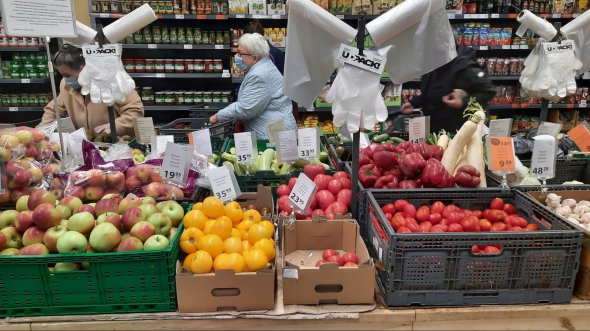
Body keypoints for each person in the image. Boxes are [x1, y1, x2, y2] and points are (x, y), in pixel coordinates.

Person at [41, 44, 144, 137]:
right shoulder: (65, 85)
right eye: (63, 75)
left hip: (117, 144)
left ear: (83, 68)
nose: (67, 79)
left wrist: (114, 126)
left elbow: (135, 111)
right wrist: (42, 130)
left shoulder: (112, 81)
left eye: (68, 75)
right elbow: (55, 109)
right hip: (86, 145)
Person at [210, 33, 297, 138]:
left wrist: (218, 116)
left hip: (273, 137)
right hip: (277, 131)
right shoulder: (265, 66)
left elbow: (245, 109)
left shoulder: (259, 75)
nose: (237, 57)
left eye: (240, 53)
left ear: (255, 58)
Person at [401, 46, 495, 133]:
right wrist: (414, 103)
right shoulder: (434, 63)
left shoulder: (464, 65)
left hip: (459, 131)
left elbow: (488, 91)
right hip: (436, 129)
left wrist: (463, 102)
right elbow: (432, 91)